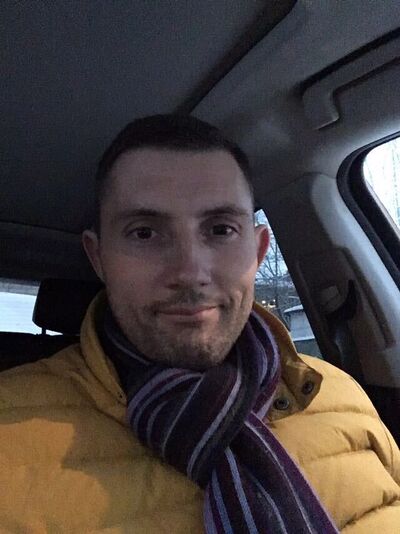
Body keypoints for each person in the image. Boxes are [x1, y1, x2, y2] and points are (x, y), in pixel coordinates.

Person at [0, 115, 399, 533]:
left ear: (257, 251)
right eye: (144, 233)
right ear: (98, 258)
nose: (190, 272)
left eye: (221, 230)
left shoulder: (340, 394)